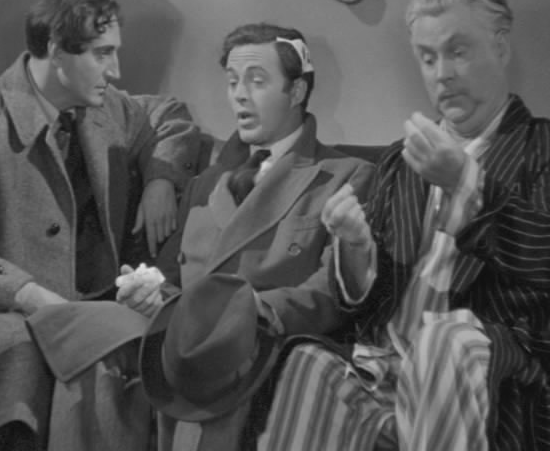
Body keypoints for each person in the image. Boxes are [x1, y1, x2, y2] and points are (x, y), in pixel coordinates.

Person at [256, 0, 550, 451]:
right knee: (308, 362)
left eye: (458, 52)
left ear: (501, 48)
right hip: (386, 364)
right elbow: (364, 296)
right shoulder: (399, 161)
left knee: (446, 340)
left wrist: (467, 184)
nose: (442, 73)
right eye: (427, 58)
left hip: (493, 368)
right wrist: (356, 249)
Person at [0, 0, 200, 451]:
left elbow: (171, 116)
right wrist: (29, 294)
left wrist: (161, 177)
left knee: (143, 342)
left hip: (75, 310)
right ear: (57, 51)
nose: (115, 70)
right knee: (21, 358)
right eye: (102, 54)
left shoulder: (106, 109)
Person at [107, 22, 374, 451]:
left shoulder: (344, 176)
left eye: (257, 81)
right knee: (90, 346)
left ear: (296, 91)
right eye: (233, 82)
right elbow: (173, 278)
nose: (239, 95)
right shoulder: (206, 183)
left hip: (263, 344)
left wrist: (251, 311)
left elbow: (333, 291)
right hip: (187, 341)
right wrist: (152, 294)